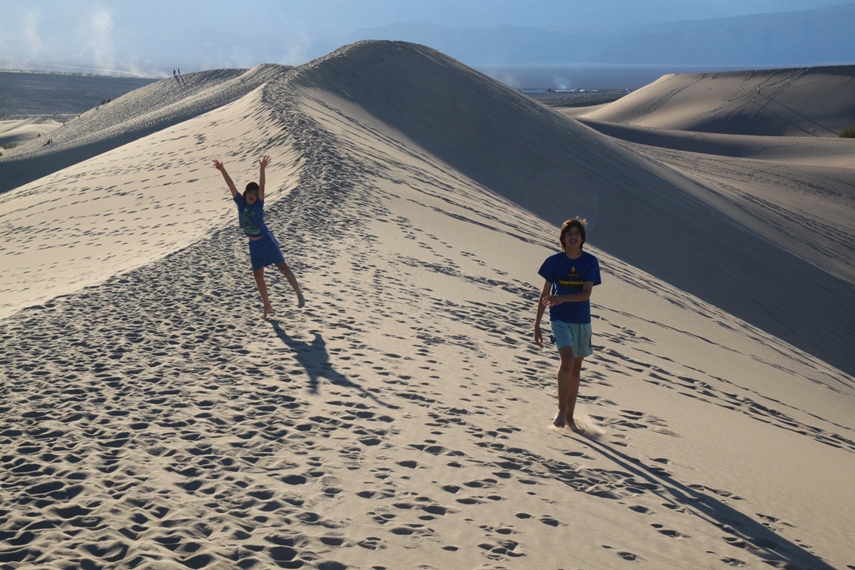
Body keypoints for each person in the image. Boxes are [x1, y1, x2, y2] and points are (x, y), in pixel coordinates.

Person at [213, 156, 305, 318]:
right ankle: (267, 305)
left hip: (266, 241)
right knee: (258, 276)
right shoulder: (241, 203)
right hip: (254, 245)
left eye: (255, 194)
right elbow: (231, 185)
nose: (253, 195)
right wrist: (222, 170)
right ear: (246, 193)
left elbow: (262, 186)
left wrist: (262, 169)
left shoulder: (258, 205)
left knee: (283, 268)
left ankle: (299, 294)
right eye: (251, 192)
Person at [534, 218, 601, 432]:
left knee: (576, 369)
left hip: (582, 320)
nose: (573, 236)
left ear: (582, 238)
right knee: (567, 361)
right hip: (559, 318)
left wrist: (562, 297)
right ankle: (561, 411)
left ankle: (570, 417)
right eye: (569, 233)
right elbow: (545, 294)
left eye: (577, 233)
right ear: (563, 238)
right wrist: (537, 324)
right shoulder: (554, 261)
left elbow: (586, 294)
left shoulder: (590, 262)